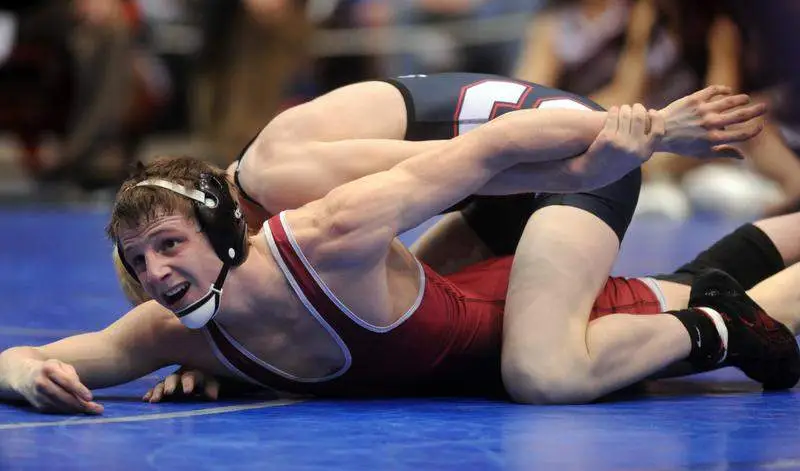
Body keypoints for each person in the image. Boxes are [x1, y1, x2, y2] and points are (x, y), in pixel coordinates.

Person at [0, 82, 782, 415]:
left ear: (224, 229)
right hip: (486, 221)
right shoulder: (184, 325)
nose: (156, 279)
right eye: (139, 268)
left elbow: (495, 149)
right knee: (667, 286)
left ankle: (721, 327)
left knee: (545, 367)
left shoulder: (320, 210)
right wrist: (29, 372)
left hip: (555, 144)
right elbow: (32, 354)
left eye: (167, 248)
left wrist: (639, 133)